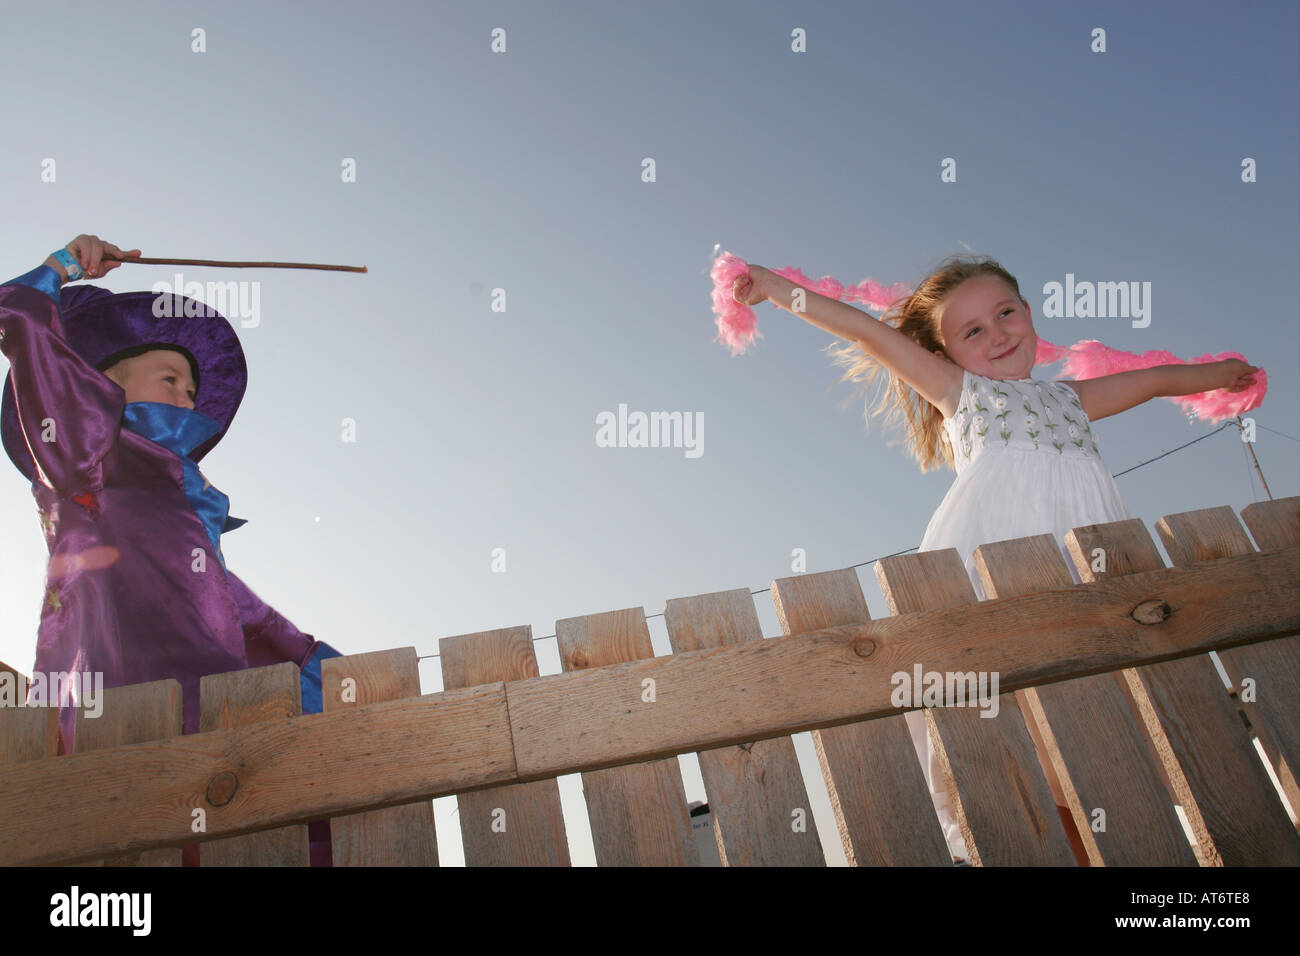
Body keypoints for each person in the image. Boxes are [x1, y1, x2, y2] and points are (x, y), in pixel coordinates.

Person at [731, 253, 1258, 862]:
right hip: (996, 570)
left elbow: (1158, 380)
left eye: (1006, 313)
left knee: (1097, 740)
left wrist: (1224, 371)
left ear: (1029, 315)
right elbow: (862, 329)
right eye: (972, 331)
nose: (998, 334)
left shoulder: (1073, 400)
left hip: (1091, 572)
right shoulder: (962, 392)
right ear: (946, 354)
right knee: (1015, 732)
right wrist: (775, 288)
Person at [0, 233, 344, 865]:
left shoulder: (182, 498)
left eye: (191, 390)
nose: (186, 399)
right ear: (99, 388)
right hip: (121, 707)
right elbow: (15, 313)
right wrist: (63, 266)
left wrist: (311, 661)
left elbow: (225, 604)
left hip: (215, 724)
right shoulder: (87, 456)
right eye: (170, 379)